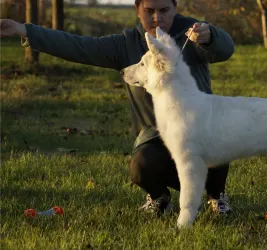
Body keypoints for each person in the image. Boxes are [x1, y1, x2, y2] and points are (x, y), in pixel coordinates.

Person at [0, 0, 234, 216]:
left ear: (175, 8)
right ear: (137, 9)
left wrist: (210, 36)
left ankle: (217, 195)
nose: (156, 18)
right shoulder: (125, 45)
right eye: (149, 11)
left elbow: (225, 49)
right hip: (157, 138)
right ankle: (159, 198)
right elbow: (79, 46)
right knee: (141, 166)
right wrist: (25, 31)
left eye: (164, 11)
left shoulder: (191, 35)